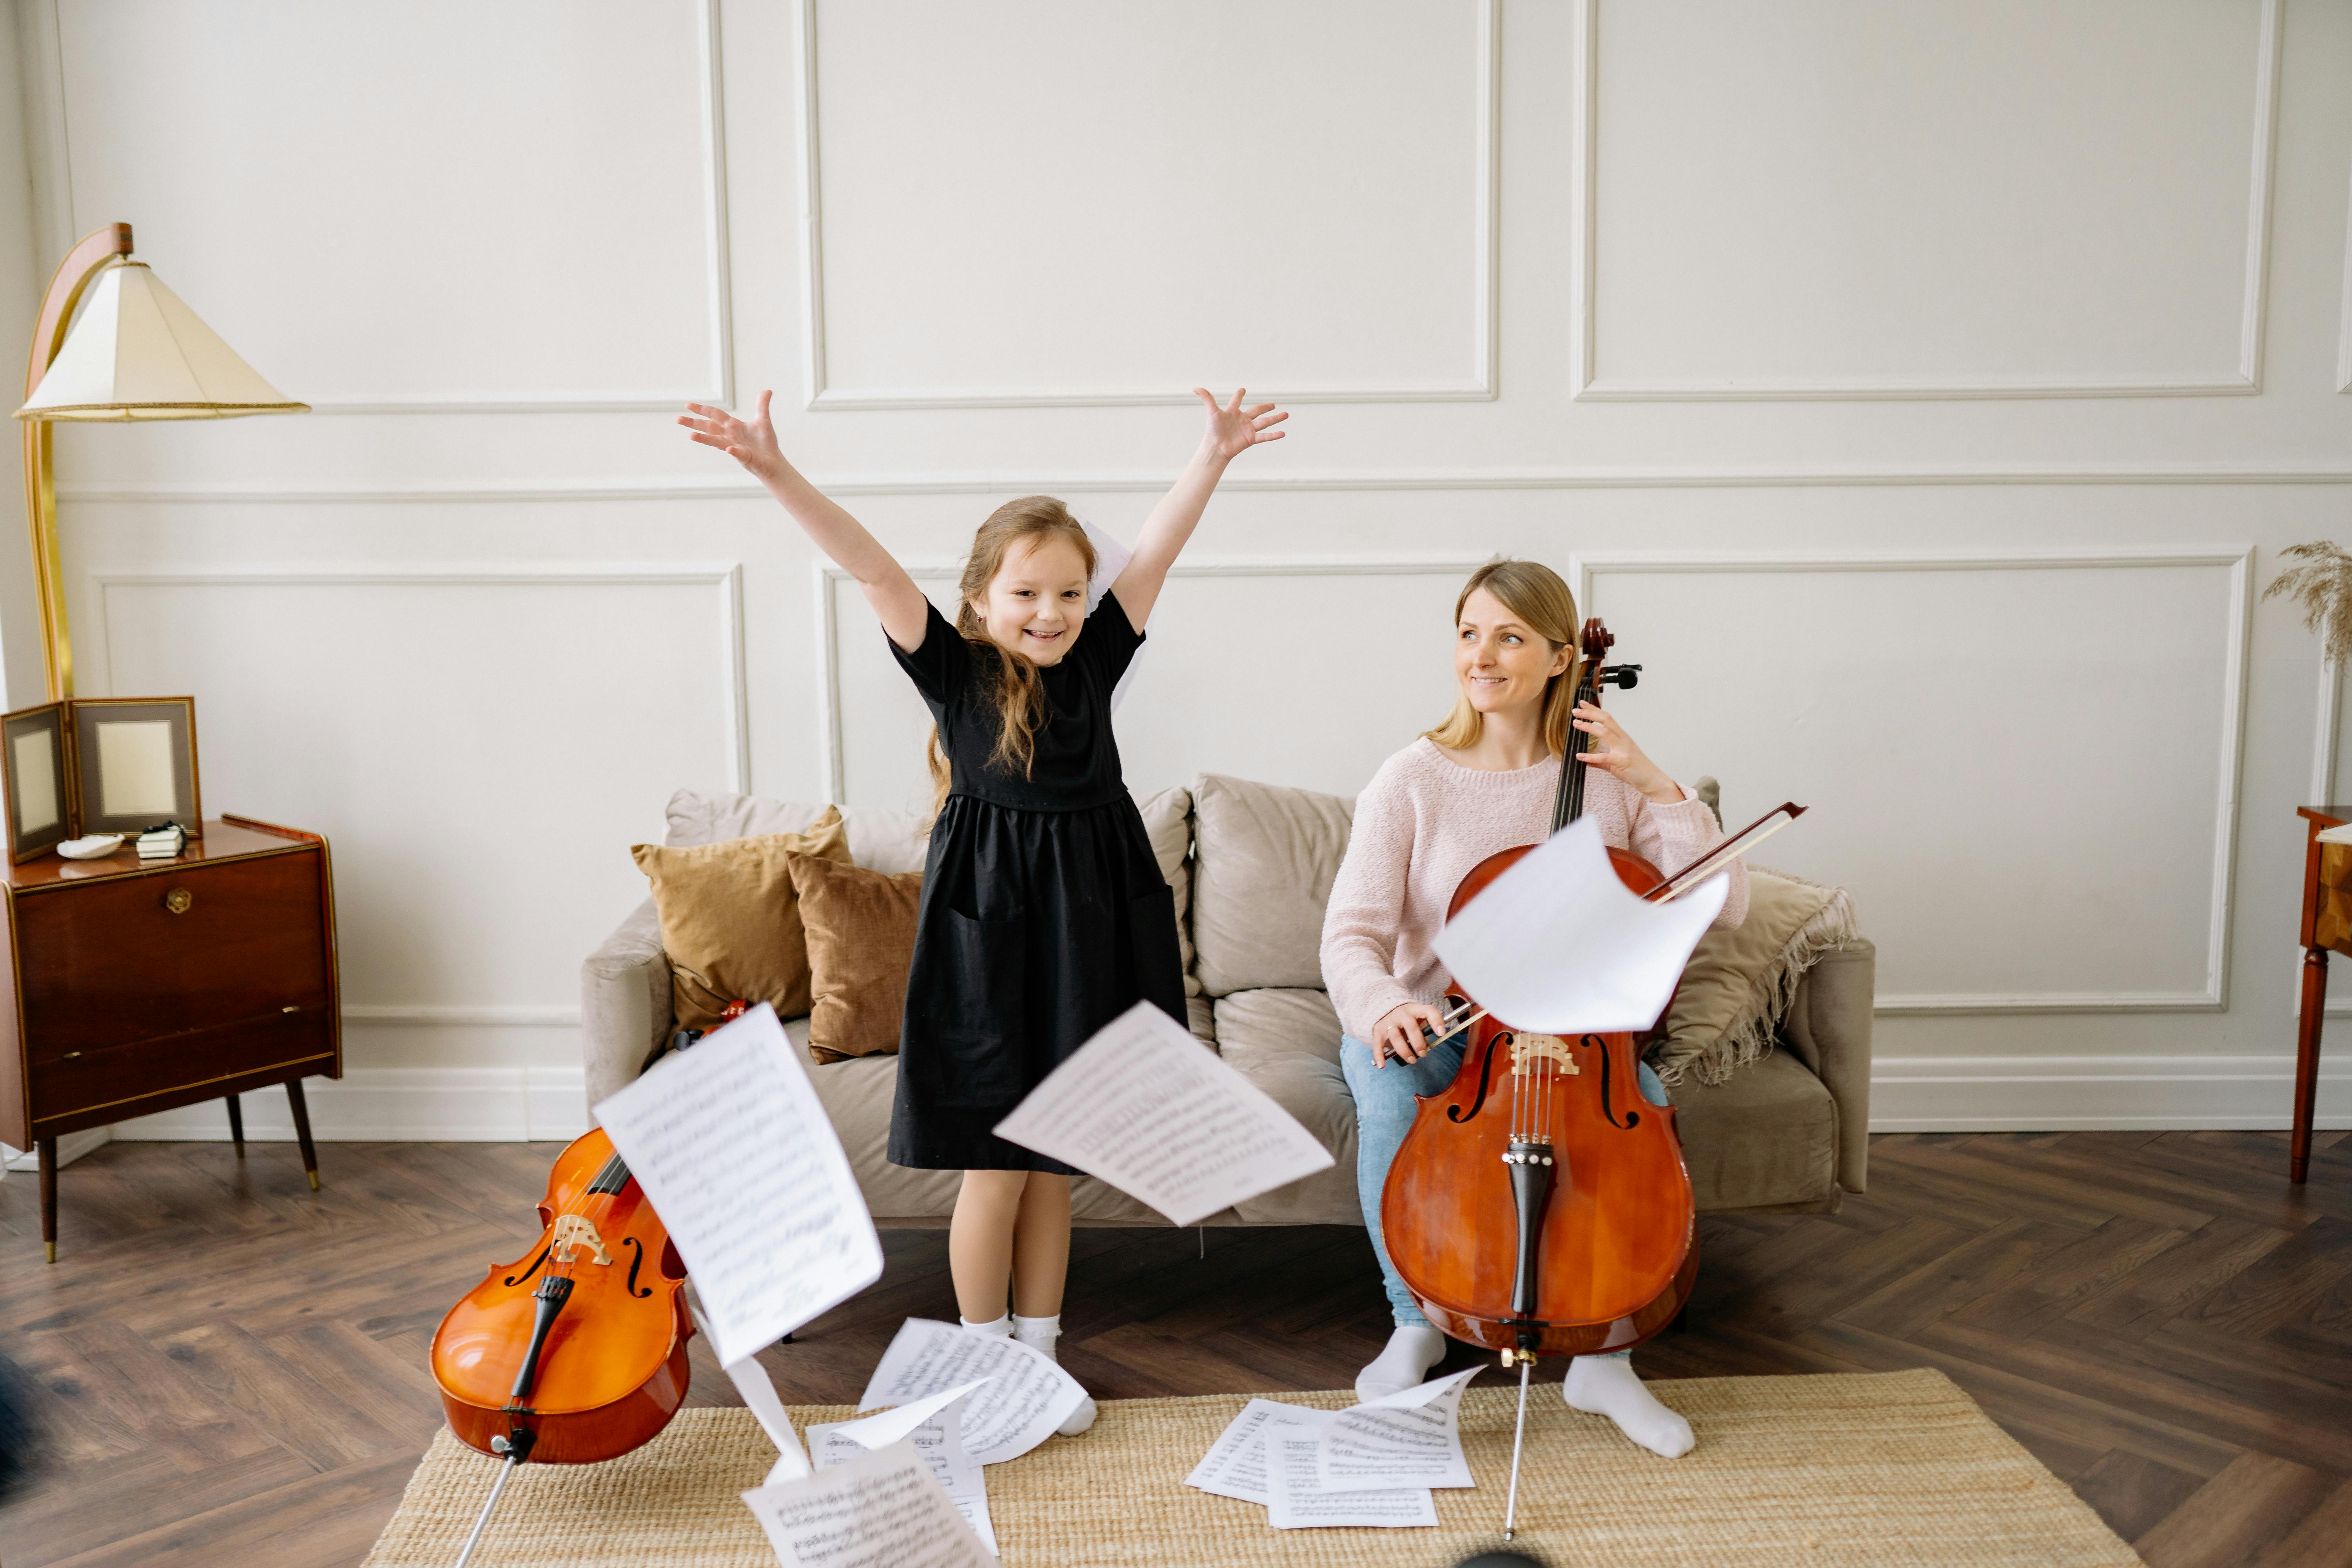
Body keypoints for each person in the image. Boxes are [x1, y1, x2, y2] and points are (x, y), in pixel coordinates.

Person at [681, 385, 1286, 1434]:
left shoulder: (1097, 661)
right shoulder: (953, 672)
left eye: (1067, 594)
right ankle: (979, 1368)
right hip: (989, 942)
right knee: (999, 1168)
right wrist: (775, 471)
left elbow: (1154, 554)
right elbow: (869, 565)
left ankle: (1040, 1360)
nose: (1050, 613)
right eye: (1027, 594)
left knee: (1058, 1166)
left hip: (1091, 931)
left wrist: (1214, 458)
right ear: (982, 598)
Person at [1318, 557, 1747, 1459]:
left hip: (1581, 1036)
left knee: (1648, 1113)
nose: (1481, 654)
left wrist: (1657, 779)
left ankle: (1605, 1352)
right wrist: (1386, 1007)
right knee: (1384, 1079)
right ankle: (1416, 1322)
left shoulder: (1608, 777)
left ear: (1562, 658)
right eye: (1470, 632)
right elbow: (1350, 936)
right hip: (1449, 1032)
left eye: (1508, 636)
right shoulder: (1411, 779)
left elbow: (1726, 902)